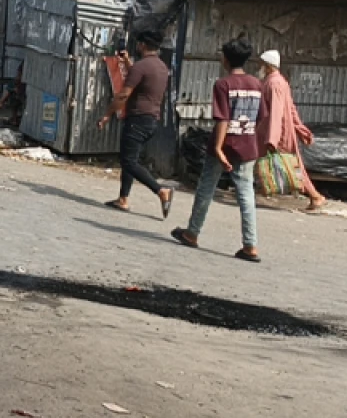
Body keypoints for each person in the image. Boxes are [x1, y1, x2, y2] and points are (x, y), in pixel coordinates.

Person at [171, 38, 268, 263]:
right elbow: (261, 116)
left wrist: (217, 147)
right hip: (247, 145)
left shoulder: (223, 84)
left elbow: (223, 119)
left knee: (206, 187)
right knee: (246, 194)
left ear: (225, 58)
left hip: (224, 145)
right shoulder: (256, 84)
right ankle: (250, 245)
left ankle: (192, 233)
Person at [98, 30, 174, 217]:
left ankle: (161, 191)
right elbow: (142, 79)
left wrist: (107, 114)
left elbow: (124, 94)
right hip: (151, 120)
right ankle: (123, 198)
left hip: (137, 119)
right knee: (130, 158)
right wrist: (126, 62)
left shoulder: (141, 66)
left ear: (142, 45)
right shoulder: (161, 67)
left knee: (129, 161)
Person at [259, 50, 328, 211]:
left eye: (261, 63)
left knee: (290, 165)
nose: (259, 67)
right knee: (288, 164)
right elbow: (291, 109)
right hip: (279, 131)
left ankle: (315, 196)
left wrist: (272, 138)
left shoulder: (273, 83)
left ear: (267, 66)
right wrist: (300, 129)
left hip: (278, 132)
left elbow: (276, 112)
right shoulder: (279, 81)